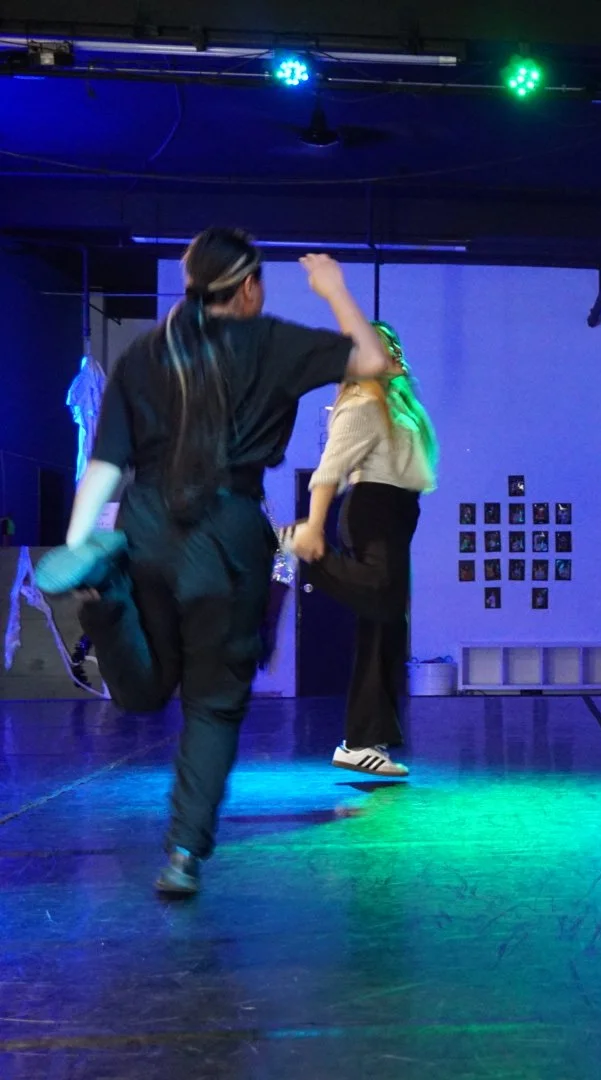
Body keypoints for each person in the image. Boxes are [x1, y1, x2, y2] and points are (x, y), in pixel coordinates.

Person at [33, 228, 391, 896]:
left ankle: (107, 602)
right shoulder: (273, 342)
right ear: (249, 285)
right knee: (213, 706)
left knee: (141, 693)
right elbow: (373, 360)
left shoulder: (145, 354)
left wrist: (82, 544)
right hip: (225, 537)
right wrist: (335, 287)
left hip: (143, 525)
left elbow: (106, 464)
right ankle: (182, 854)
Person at [286, 320, 438, 778]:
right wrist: (315, 526)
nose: (392, 349)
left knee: (387, 624)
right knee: (380, 599)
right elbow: (328, 471)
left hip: (396, 511)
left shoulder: (394, 403)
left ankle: (365, 742)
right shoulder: (362, 403)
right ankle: (303, 547)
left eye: (392, 341)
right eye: (379, 345)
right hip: (374, 508)